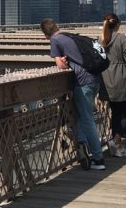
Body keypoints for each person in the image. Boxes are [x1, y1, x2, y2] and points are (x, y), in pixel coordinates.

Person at [41, 18, 106, 170]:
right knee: (82, 116)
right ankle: (83, 150)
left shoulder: (55, 40)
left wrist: (63, 61)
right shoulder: (69, 35)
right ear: (57, 26)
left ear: (45, 35)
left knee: (87, 119)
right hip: (95, 78)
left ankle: (98, 158)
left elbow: (60, 66)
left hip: (83, 82)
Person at [100, 13, 126, 157]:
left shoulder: (101, 39)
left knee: (116, 113)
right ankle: (116, 141)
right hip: (121, 78)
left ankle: (116, 142)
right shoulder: (122, 39)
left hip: (107, 79)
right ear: (117, 25)